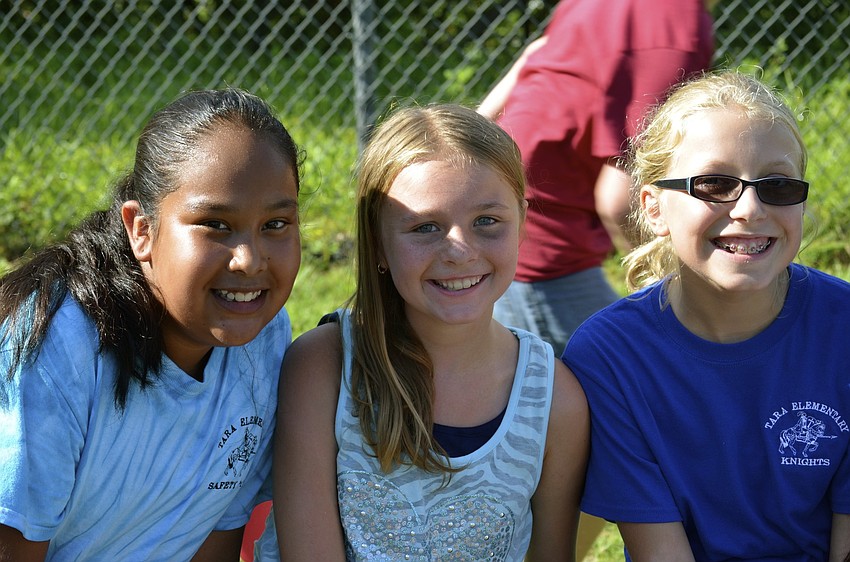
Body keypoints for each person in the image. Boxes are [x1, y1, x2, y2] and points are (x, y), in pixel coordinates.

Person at [254, 104, 589, 561]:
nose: (460, 251)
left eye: (486, 221)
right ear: (378, 243)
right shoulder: (324, 368)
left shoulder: (552, 398)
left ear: (522, 225)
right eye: (425, 227)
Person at [0, 88, 303, 561]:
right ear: (141, 230)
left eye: (276, 224)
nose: (248, 260)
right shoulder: (57, 346)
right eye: (215, 224)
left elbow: (217, 537)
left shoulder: (265, 341)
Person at [561, 71, 850, 560]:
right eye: (715, 184)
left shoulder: (841, 327)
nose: (750, 209)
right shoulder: (611, 356)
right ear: (654, 208)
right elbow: (660, 552)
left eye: (777, 185)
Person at [478, 0, 715, 354]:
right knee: (653, 359)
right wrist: (670, 285)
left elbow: (535, 54)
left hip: (502, 194)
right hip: (547, 239)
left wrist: (475, 135)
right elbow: (618, 199)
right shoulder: (679, 26)